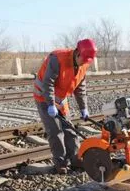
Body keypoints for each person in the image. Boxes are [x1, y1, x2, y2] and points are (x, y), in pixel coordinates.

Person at [33, 38, 97, 174]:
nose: (85, 63)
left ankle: (75, 158)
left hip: (61, 99)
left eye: (87, 61)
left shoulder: (84, 63)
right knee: (56, 131)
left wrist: (83, 108)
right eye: (84, 59)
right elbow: (48, 84)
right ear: (77, 53)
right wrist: (50, 104)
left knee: (69, 129)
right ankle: (60, 163)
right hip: (44, 97)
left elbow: (80, 87)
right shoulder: (57, 59)